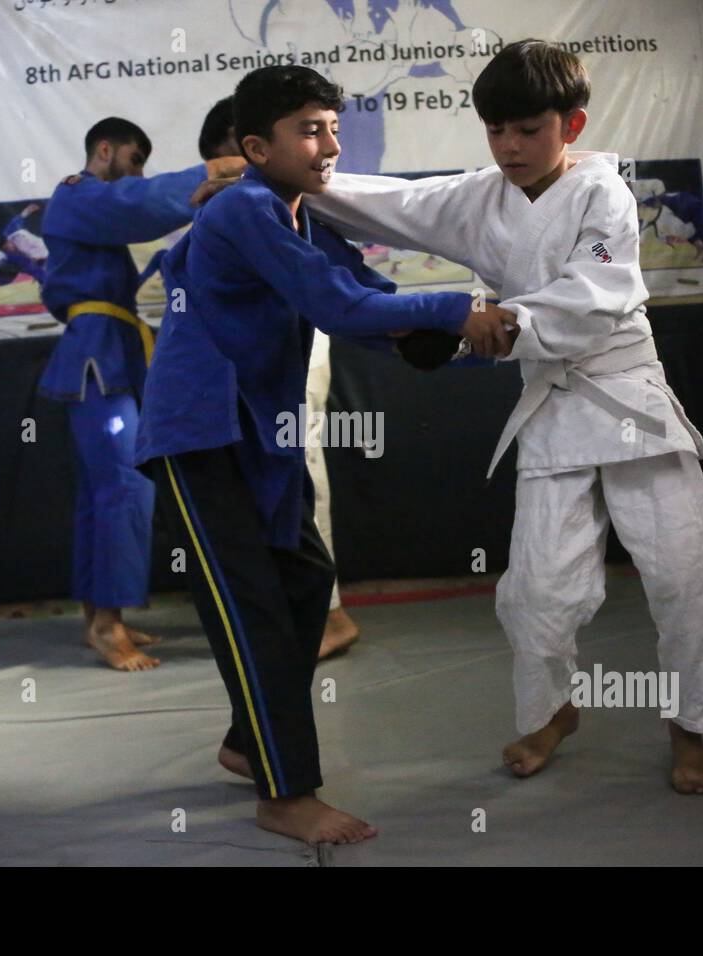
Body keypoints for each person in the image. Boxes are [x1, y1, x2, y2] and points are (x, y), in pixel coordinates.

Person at [308, 41, 703, 794]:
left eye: (527, 130)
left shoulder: (604, 194)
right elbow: (387, 202)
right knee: (537, 588)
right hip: (552, 404)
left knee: (683, 573)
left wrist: (490, 319)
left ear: (570, 125)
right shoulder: (481, 196)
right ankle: (552, 711)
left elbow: (595, 295)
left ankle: (691, 725)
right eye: (495, 130)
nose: (509, 147)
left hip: (627, 396)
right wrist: (286, 183)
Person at [135, 65, 515, 844]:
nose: (330, 145)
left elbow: (375, 310)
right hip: (199, 433)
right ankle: (285, 792)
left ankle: (249, 742)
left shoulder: (304, 219)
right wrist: (459, 307)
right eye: (310, 129)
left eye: (333, 127)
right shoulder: (243, 208)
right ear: (254, 146)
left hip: (259, 438)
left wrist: (505, 342)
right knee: (252, 607)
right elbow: (339, 308)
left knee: (307, 579)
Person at [39, 116, 245, 671]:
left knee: (102, 489)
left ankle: (98, 619)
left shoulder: (88, 212)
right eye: (131, 161)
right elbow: (138, 203)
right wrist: (219, 169)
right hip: (96, 356)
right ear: (103, 150)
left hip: (112, 347)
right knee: (123, 484)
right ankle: (108, 625)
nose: (136, 174)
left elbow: (136, 204)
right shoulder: (75, 194)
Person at [197, 95, 360, 659]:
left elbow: (347, 296)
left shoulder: (287, 199)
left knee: (300, 458)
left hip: (295, 345)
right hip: (251, 366)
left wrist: (441, 316)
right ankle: (301, 603)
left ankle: (329, 611)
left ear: (254, 147)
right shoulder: (240, 207)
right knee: (276, 469)